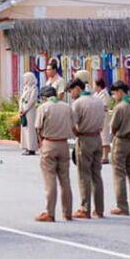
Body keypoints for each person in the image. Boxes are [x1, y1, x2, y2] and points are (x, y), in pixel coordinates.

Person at [35, 85, 74, 222]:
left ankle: (50, 212)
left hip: (49, 143)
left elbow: (38, 128)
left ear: (45, 97)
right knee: (65, 180)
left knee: (50, 180)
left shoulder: (43, 108)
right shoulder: (67, 107)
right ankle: (67, 212)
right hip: (64, 144)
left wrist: (41, 143)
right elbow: (73, 125)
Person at [71, 77, 106, 219]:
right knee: (96, 174)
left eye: (71, 91)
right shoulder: (99, 100)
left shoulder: (78, 103)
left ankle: (85, 208)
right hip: (97, 138)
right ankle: (99, 209)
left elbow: (72, 124)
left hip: (84, 138)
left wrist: (77, 133)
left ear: (78, 89)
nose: (71, 94)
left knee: (84, 174)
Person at [108, 81, 130, 216]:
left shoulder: (120, 107)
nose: (114, 96)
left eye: (114, 93)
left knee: (119, 174)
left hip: (121, 141)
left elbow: (113, 126)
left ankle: (122, 206)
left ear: (120, 91)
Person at [18, 72, 39, 156]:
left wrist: (25, 109)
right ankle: (26, 147)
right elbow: (21, 99)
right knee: (24, 128)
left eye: (26, 78)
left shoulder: (34, 88)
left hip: (30, 111)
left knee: (30, 129)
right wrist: (20, 109)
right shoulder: (25, 88)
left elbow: (32, 100)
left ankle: (31, 148)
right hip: (23, 111)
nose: (24, 80)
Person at [95, 78, 113, 165]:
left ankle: (105, 157)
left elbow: (105, 106)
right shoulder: (96, 94)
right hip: (98, 117)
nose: (94, 87)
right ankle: (102, 155)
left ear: (99, 86)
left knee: (104, 137)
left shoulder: (104, 94)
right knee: (100, 138)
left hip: (104, 117)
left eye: (95, 85)